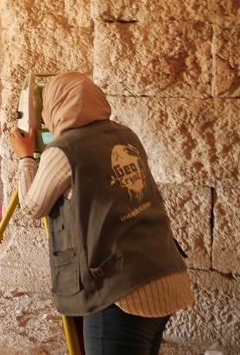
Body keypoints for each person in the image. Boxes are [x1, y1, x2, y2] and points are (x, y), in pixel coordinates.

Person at [10, 72, 194, 355]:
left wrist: (25, 157)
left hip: (120, 293)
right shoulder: (124, 134)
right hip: (165, 274)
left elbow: (33, 206)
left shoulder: (63, 152)